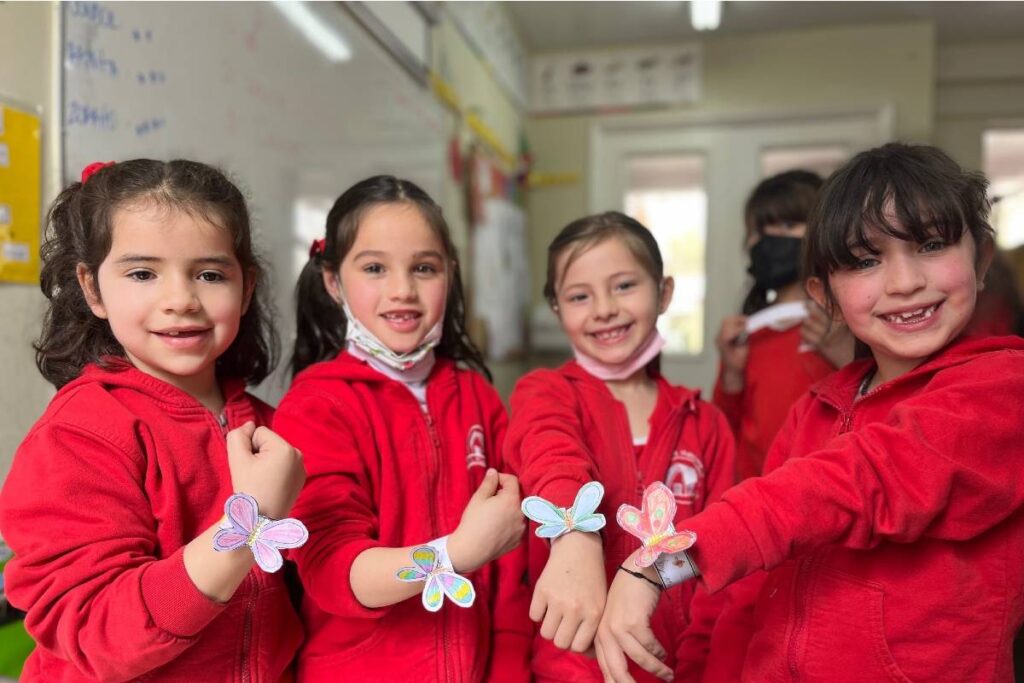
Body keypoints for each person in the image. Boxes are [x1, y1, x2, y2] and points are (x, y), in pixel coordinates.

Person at [596, 143, 1024, 683]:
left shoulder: (1003, 387)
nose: (904, 282)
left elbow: (857, 481)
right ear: (825, 295)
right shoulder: (813, 411)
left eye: (932, 244)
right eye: (866, 260)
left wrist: (662, 562)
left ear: (980, 260)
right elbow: (749, 584)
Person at [0, 159, 305, 681]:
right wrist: (247, 523)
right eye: (143, 273)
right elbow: (100, 632)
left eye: (210, 275)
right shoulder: (77, 435)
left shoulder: (273, 430)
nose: (181, 300)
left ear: (246, 288)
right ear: (92, 289)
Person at [273, 175, 530, 682]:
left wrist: (508, 668)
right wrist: (453, 554)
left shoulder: (476, 395)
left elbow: (509, 564)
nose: (402, 291)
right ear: (333, 281)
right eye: (374, 268)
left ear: (450, 273)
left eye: (424, 268)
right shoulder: (314, 408)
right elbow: (335, 572)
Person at [505, 212, 737, 682]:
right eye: (579, 296)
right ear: (556, 308)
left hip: (678, 667)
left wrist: (698, 667)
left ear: (664, 293)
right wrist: (573, 532)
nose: (604, 309)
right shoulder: (545, 393)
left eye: (624, 286)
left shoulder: (706, 424)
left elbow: (718, 554)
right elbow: (552, 453)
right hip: (570, 672)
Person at [714, 170, 852, 482]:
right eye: (758, 231)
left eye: (788, 225)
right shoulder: (748, 334)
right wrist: (731, 373)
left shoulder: (847, 322)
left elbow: (877, 408)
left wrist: (841, 352)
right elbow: (723, 430)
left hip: (825, 487)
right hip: (755, 492)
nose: (769, 239)